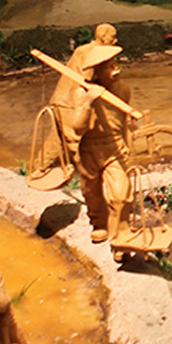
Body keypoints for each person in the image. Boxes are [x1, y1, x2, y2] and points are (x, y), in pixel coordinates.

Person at [72, 45, 136, 243]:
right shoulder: (82, 93)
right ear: (97, 73)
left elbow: (124, 122)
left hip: (114, 146)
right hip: (89, 148)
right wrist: (88, 102)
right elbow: (77, 127)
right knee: (91, 191)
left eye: (116, 64)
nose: (117, 70)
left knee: (121, 193)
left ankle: (122, 229)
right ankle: (99, 224)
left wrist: (127, 144)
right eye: (110, 67)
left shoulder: (123, 90)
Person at [48, 23, 120, 165]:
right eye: (112, 37)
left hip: (70, 100)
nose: (115, 41)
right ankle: (83, 170)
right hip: (67, 102)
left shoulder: (94, 51)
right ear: (103, 37)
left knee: (57, 140)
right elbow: (88, 79)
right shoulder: (88, 53)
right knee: (74, 140)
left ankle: (41, 167)